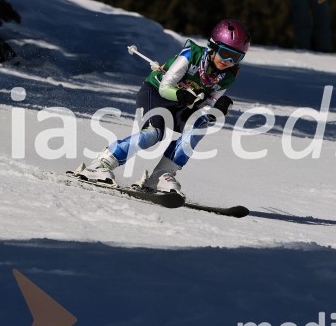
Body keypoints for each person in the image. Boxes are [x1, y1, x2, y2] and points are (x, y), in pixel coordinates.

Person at [76, 19, 250, 195]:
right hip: (156, 94)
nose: (228, 60)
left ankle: (161, 176)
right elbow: (165, 87)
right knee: (153, 134)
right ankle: (101, 163)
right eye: (225, 52)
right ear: (213, 46)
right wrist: (181, 95)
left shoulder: (228, 75)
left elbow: (207, 106)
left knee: (199, 126)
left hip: (183, 104)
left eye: (235, 57)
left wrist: (215, 110)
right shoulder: (192, 55)